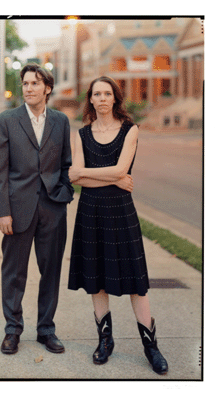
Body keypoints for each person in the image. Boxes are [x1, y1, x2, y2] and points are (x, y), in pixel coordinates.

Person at [68, 76, 168, 375]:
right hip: (91, 211)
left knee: (136, 283)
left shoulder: (130, 130)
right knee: (97, 279)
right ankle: (105, 341)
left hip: (121, 212)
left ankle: (151, 347)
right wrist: (111, 178)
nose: (101, 98)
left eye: (107, 93)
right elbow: (75, 179)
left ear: (115, 98)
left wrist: (86, 173)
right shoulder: (81, 134)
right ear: (91, 99)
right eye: (96, 93)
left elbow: (121, 169)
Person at [0, 63, 74, 355]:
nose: (28, 89)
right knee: (14, 272)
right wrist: (2, 210)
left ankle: (46, 330)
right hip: (17, 208)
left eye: (34, 84)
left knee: (50, 271)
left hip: (53, 208)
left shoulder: (61, 121)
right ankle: (12, 330)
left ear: (47, 89)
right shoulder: (7, 120)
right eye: (25, 84)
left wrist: (64, 195)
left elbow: (66, 163)